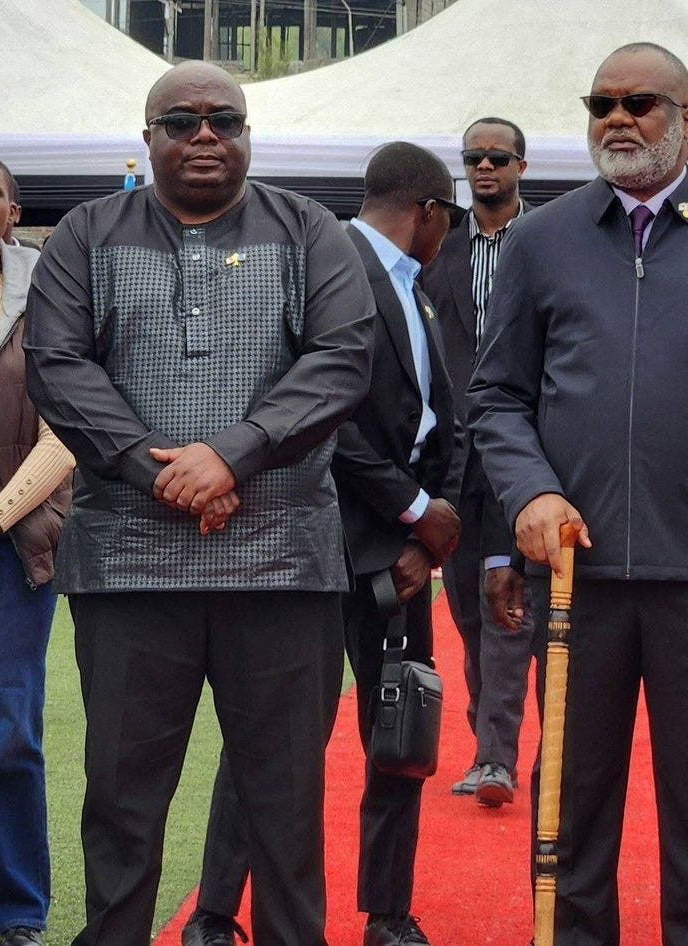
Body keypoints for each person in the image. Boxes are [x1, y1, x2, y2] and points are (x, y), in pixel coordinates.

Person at [467, 42, 688, 946]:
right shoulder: (540, 242)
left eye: (640, 103)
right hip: (575, 582)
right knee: (572, 801)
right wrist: (530, 494)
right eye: (601, 104)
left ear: (687, 120)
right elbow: (496, 397)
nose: (618, 119)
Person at [24, 61, 376, 946]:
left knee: (285, 813)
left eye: (225, 119)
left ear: (249, 133)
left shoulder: (311, 231)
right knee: (122, 810)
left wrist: (233, 454)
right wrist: (163, 474)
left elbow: (342, 361)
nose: (205, 134)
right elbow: (57, 367)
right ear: (148, 139)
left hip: (283, 565)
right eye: (181, 122)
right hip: (129, 568)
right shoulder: (85, 234)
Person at [180, 142, 463, 946]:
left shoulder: (418, 290)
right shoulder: (323, 264)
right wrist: (416, 510)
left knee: (403, 733)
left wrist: (432, 531)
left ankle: (389, 915)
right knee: (268, 737)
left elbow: (445, 422)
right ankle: (215, 915)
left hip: (402, 558)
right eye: (450, 218)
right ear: (429, 212)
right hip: (306, 545)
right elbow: (319, 418)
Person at [420, 116, 534, 807]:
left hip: (530, 456)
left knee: (508, 611)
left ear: (522, 166)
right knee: (468, 613)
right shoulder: (440, 250)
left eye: (497, 157)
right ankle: (489, 745)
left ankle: (497, 758)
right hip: (457, 459)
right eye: (473, 158)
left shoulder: (550, 242)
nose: (484, 167)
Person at [0, 155, 74, 946]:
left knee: (10, 727)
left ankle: (17, 909)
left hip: (12, 545)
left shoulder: (46, 293)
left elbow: (64, 429)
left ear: (14, 212)